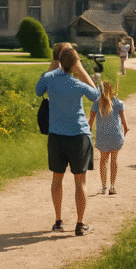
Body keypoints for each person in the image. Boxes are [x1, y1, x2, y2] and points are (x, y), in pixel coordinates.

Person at [36, 44, 100, 236]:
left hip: (56, 136)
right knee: (80, 181)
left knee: (57, 179)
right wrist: (80, 70)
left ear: (58, 62)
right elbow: (95, 95)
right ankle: (80, 224)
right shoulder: (77, 84)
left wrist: (54, 64)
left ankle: (58, 221)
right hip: (78, 136)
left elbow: (39, 90)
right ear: (74, 63)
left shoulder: (50, 79)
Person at [87, 80, 129, 195]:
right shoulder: (118, 103)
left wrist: (87, 134)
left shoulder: (96, 103)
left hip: (102, 136)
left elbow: (90, 122)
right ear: (111, 90)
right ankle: (112, 186)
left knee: (103, 161)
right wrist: (124, 132)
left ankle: (104, 187)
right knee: (114, 161)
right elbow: (125, 124)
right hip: (116, 135)